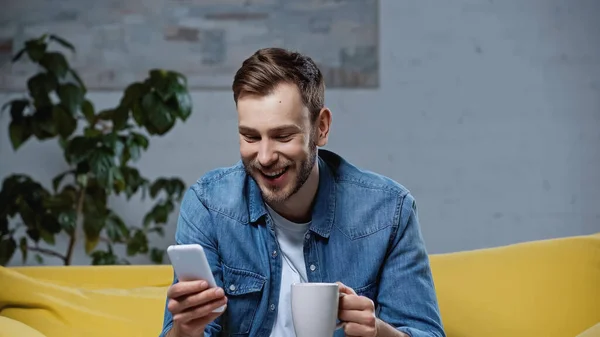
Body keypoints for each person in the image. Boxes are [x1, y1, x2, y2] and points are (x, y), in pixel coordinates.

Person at [159, 48, 446, 337]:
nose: (265, 156)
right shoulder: (209, 205)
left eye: (283, 136)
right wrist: (185, 329)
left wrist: (377, 332)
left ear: (321, 128)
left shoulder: (389, 211)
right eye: (250, 136)